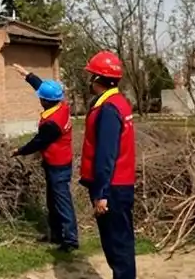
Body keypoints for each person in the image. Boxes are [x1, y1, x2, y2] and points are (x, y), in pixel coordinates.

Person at [80, 51, 136, 279]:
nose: (89, 81)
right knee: (120, 242)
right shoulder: (118, 102)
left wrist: (101, 193)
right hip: (120, 183)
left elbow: (106, 154)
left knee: (117, 245)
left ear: (98, 79)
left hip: (112, 187)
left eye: (91, 76)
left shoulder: (108, 109)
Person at [12, 64, 79, 252]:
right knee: (53, 200)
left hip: (58, 165)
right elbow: (45, 89)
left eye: (41, 98)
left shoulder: (52, 123)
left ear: (45, 101)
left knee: (62, 200)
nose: (39, 98)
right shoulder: (61, 106)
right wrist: (28, 75)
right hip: (56, 162)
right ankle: (56, 233)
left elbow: (37, 142)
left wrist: (19, 150)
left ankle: (70, 240)